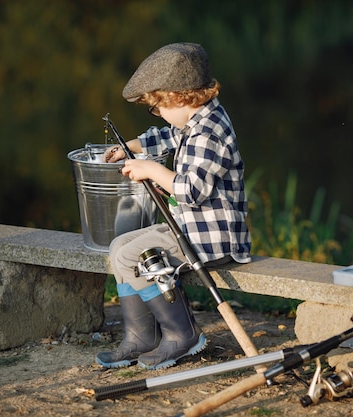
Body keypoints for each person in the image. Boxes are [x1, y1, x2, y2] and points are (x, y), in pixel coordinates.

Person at [96, 42, 251, 370]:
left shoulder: (210, 133)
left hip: (213, 237)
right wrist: (134, 147)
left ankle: (183, 335)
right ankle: (142, 337)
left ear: (178, 98)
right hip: (191, 228)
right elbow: (169, 136)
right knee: (119, 247)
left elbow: (190, 190)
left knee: (131, 254)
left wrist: (151, 169)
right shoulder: (197, 121)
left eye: (158, 107)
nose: (158, 114)